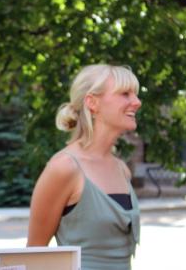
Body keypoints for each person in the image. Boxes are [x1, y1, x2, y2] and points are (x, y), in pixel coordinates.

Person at [27, 64, 142, 270]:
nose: (137, 102)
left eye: (135, 94)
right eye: (125, 94)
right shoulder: (64, 168)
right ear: (92, 102)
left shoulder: (122, 169)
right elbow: (33, 257)